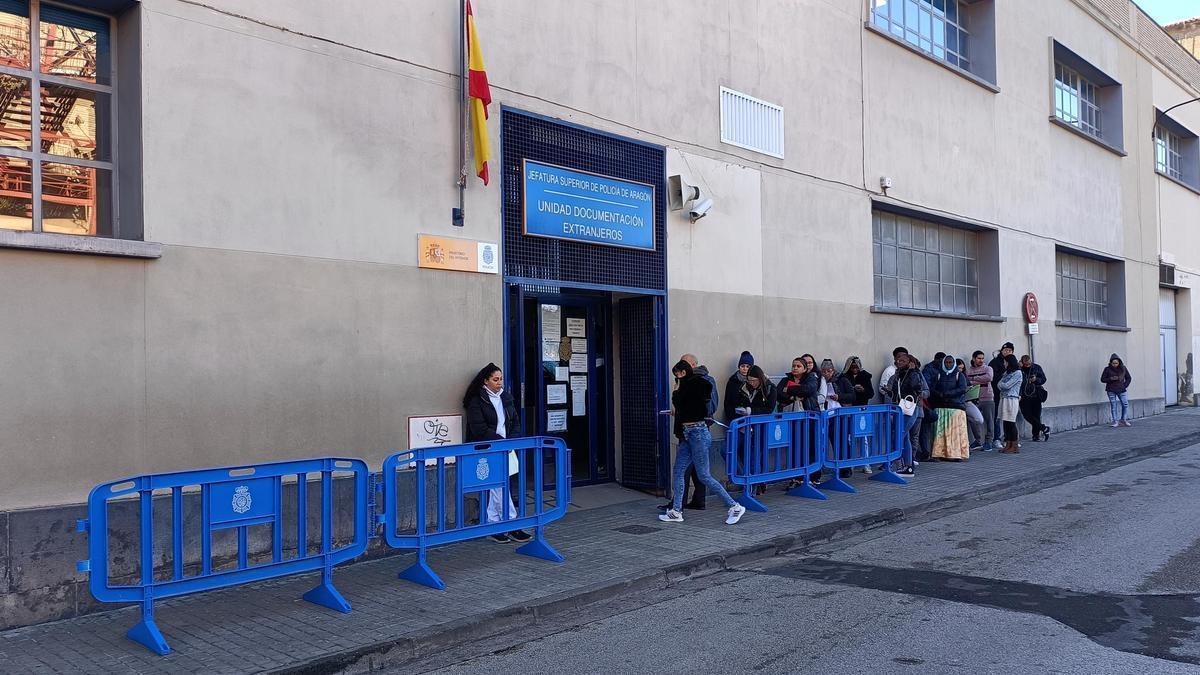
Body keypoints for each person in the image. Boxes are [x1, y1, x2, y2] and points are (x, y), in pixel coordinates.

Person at [659, 360, 746, 525]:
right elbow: (687, 408)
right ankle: (676, 510)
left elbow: (690, 403)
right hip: (688, 433)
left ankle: (734, 506)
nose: (676, 378)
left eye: (677, 374)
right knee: (678, 471)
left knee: (704, 475)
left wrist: (677, 392)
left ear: (683, 372)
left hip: (697, 433)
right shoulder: (691, 386)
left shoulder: (694, 385)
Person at [462, 363, 532, 543]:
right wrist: (501, 443)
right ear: (485, 381)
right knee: (498, 486)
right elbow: (479, 428)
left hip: (506, 447)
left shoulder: (505, 397)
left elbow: (515, 421)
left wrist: (511, 441)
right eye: (495, 379)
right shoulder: (476, 400)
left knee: (499, 486)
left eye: (501, 379)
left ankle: (494, 525)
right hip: (489, 448)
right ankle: (512, 524)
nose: (499, 382)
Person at [671, 353, 718, 510]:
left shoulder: (704, 381)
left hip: (696, 429)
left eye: (683, 364)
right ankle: (696, 501)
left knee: (687, 469)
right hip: (685, 429)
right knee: (695, 469)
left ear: (692, 365)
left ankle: (679, 504)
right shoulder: (683, 381)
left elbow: (710, 406)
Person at [778, 356, 822, 484]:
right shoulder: (786, 379)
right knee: (796, 446)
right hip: (792, 419)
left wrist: (790, 389)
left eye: (798, 366)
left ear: (804, 369)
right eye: (793, 366)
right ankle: (797, 476)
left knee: (811, 446)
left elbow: (808, 390)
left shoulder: (811, 378)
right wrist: (793, 397)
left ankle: (814, 477)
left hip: (810, 419)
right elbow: (780, 393)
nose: (795, 368)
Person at [887, 353, 928, 475]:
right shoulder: (898, 374)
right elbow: (897, 392)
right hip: (900, 407)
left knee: (899, 435)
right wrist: (889, 391)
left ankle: (900, 463)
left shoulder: (914, 373)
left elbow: (917, 387)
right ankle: (908, 467)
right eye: (898, 360)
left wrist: (912, 371)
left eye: (903, 361)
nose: (899, 362)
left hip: (910, 408)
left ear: (910, 362)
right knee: (905, 437)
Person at [929, 354, 970, 461]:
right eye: (946, 362)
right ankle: (940, 453)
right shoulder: (937, 375)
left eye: (950, 362)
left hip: (955, 407)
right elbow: (931, 388)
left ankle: (955, 454)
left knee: (954, 433)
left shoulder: (959, 375)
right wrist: (939, 394)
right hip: (941, 407)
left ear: (954, 363)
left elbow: (962, 389)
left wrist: (947, 394)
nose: (948, 364)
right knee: (940, 433)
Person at [965, 350, 995, 451]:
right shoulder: (969, 370)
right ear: (974, 359)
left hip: (987, 397)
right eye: (979, 358)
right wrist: (980, 379)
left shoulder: (988, 368)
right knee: (973, 419)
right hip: (973, 399)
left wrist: (974, 379)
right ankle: (977, 441)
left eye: (982, 358)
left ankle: (989, 442)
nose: (981, 360)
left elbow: (989, 377)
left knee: (989, 420)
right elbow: (967, 382)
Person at [957, 358, 986, 452]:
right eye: (958, 368)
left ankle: (975, 441)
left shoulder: (964, 376)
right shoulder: (953, 377)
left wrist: (971, 389)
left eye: (962, 368)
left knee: (979, 419)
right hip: (958, 403)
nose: (960, 370)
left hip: (968, 401)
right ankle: (965, 447)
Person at [989, 342, 1015, 442]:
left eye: (1010, 350)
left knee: (1009, 417)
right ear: (1001, 351)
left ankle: (1009, 439)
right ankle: (997, 438)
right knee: (997, 417)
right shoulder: (994, 362)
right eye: (1005, 350)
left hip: (1010, 395)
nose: (1007, 352)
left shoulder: (1013, 363)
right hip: (997, 394)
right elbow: (993, 378)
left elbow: (1020, 379)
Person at [1019, 355, 1050, 441]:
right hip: (1024, 396)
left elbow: (1043, 379)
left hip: (1035, 395)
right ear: (1022, 362)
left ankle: (1036, 436)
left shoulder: (1036, 367)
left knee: (1036, 415)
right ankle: (1044, 428)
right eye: (1026, 364)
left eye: (1029, 363)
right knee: (1027, 415)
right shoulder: (1019, 369)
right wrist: (1019, 367)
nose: (1028, 365)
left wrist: (1036, 380)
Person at [997, 355, 1023, 454]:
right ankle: (1008, 444)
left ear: (1009, 362)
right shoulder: (1007, 373)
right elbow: (999, 384)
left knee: (1011, 422)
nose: (1004, 364)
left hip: (1012, 399)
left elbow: (1006, 385)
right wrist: (1001, 385)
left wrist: (1001, 385)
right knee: (1006, 422)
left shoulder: (1018, 373)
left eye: (1005, 362)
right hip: (1004, 398)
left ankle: (1014, 446)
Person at [1101, 354, 1133, 427]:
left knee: (1125, 404)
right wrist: (1111, 379)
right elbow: (1102, 379)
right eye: (1113, 363)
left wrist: (1124, 385)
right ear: (1111, 362)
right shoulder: (1107, 369)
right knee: (1113, 406)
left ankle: (1123, 420)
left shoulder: (1123, 368)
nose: (1115, 364)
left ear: (1119, 362)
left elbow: (1129, 378)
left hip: (1121, 390)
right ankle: (1115, 421)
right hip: (1111, 390)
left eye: (1116, 363)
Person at [724, 351, 755, 422]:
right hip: (736, 418)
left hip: (752, 418)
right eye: (742, 366)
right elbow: (727, 402)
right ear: (739, 367)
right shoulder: (732, 381)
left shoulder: (755, 381)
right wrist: (731, 416)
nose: (745, 369)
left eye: (748, 366)